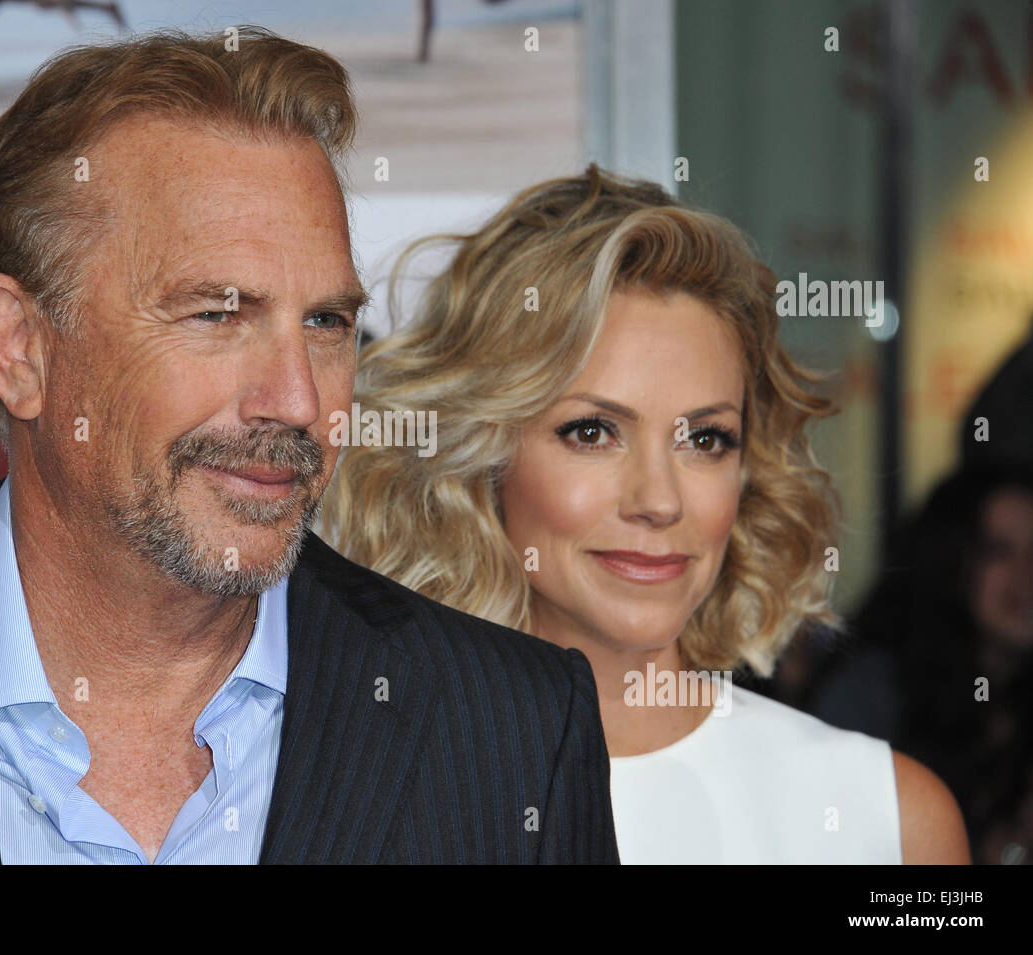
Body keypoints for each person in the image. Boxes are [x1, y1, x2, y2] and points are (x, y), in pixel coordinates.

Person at [0, 28, 618, 865]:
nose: (298, 400)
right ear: (18, 345)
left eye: (327, 321)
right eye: (217, 314)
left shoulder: (513, 733)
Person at [324, 164, 971, 863]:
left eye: (705, 438)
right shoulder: (345, 796)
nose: (659, 500)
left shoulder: (892, 819)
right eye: (593, 431)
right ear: (481, 455)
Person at [803, 466, 1033, 864]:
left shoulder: (1015, 702)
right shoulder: (870, 696)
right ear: (952, 563)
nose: (1027, 574)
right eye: (998, 550)